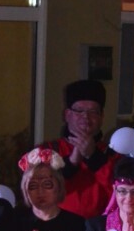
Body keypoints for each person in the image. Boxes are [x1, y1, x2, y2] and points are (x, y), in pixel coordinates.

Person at [39, 79, 117, 218]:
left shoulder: (113, 155)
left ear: (101, 117)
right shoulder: (46, 151)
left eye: (93, 111)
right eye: (79, 110)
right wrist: (71, 162)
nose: (86, 117)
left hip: (100, 228)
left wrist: (94, 157)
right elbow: (40, 191)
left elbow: (120, 194)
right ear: (67, 115)